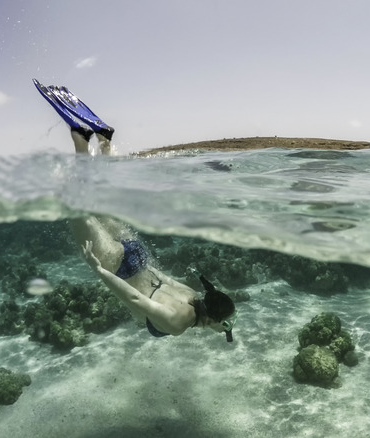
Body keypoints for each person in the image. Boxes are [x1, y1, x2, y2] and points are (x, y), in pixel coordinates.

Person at [33, 79, 237, 342]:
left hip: (137, 255)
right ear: (213, 319)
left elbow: (164, 279)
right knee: (76, 204)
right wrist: (100, 271)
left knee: (97, 200)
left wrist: (221, 324)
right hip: (118, 268)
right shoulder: (179, 323)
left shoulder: (193, 296)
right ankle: (82, 143)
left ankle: (100, 142)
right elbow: (133, 298)